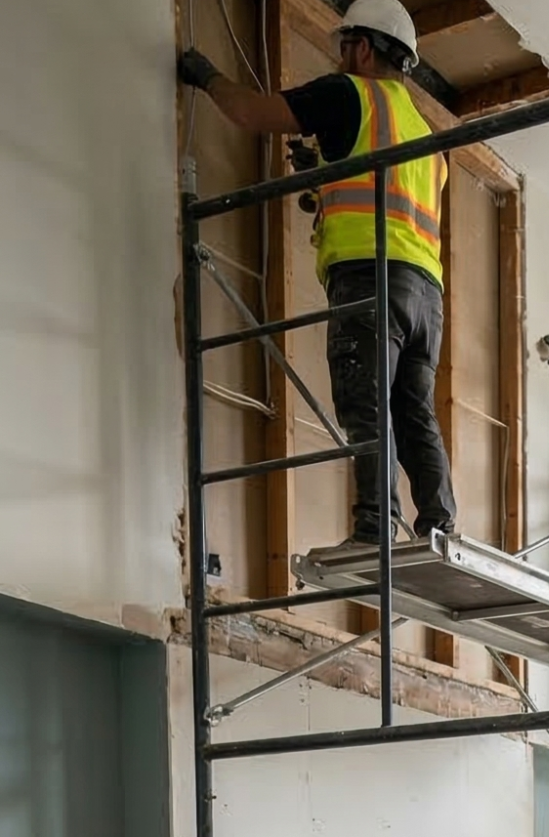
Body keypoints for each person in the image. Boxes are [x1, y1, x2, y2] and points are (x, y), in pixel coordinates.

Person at [178, 1, 457, 552]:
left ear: (363, 48)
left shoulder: (350, 93)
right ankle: (440, 524)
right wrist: (326, 174)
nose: (340, 59)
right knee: (413, 411)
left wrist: (205, 75)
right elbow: (382, 191)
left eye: (344, 47)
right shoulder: (426, 138)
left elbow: (250, 113)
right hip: (427, 297)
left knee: (367, 403)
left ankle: (375, 528)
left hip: (371, 279)